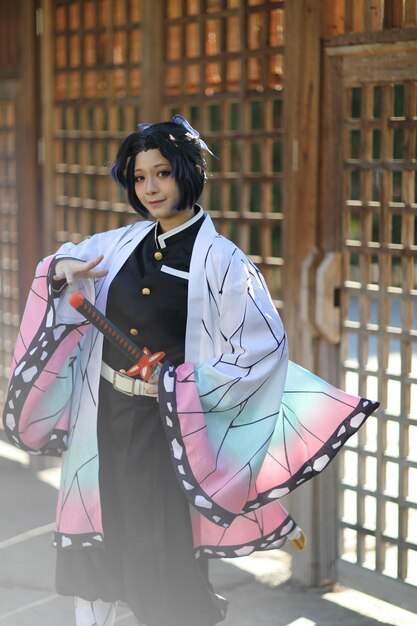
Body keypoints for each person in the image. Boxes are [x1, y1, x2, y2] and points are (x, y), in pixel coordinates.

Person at [3, 115, 379, 626]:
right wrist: (62, 268)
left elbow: (261, 349)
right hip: (104, 420)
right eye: (139, 177)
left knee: (158, 551)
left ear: (186, 172)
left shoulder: (223, 261)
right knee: (96, 545)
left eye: (161, 173)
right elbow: (62, 265)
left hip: (166, 430)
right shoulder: (120, 244)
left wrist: (176, 381)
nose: (150, 187)